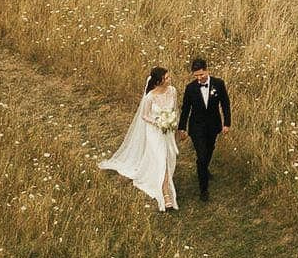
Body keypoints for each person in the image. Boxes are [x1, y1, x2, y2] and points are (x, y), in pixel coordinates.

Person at [98, 65, 180, 211]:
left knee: (169, 157)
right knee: (161, 158)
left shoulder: (173, 91)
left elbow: (175, 109)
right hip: (155, 131)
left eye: (168, 76)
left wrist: (172, 122)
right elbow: (144, 115)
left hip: (168, 130)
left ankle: (159, 178)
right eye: (166, 78)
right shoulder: (150, 97)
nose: (169, 79)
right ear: (158, 81)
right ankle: (165, 194)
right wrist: (158, 123)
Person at [178, 58, 232, 201]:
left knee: (210, 149)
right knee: (201, 156)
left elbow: (225, 104)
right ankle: (204, 189)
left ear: (207, 70)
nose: (199, 78)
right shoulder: (190, 88)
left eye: (201, 75)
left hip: (213, 125)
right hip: (196, 126)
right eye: (196, 76)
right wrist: (182, 128)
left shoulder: (218, 84)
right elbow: (185, 109)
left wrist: (227, 123)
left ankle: (203, 168)